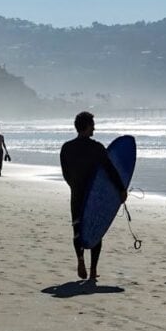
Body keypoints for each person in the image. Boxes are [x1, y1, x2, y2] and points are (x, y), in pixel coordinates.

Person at [60, 112, 127, 281]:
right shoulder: (96, 147)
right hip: (94, 196)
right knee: (96, 230)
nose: (94, 128)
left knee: (77, 230)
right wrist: (121, 188)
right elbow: (110, 170)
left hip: (76, 194)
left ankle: (80, 259)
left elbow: (65, 173)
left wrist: (75, 186)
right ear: (87, 126)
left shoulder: (66, 148)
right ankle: (93, 270)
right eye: (93, 125)